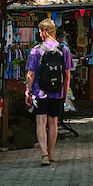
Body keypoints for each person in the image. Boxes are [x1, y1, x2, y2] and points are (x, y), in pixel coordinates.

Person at [24, 17, 72, 165]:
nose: (39, 34)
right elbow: (67, 74)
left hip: (40, 91)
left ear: (45, 32)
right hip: (57, 91)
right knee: (53, 122)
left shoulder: (36, 50)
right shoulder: (64, 50)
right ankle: (51, 153)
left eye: (40, 31)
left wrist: (27, 91)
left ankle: (44, 154)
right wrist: (65, 92)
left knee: (40, 122)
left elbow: (31, 74)